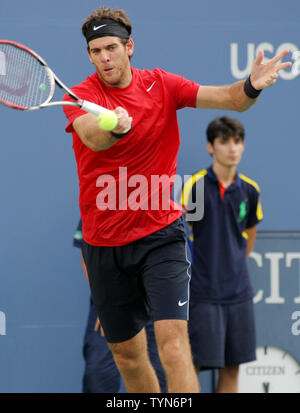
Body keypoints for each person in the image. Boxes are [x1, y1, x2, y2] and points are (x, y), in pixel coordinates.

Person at [62, 6, 290, 393]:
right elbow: (90, 136)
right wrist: (112, 126)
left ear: (129, 47)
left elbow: (231, 98)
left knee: (172, 345)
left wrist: (251, 85)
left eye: (112, 48)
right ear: (89, 55)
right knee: (129, 359)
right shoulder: (81, 96)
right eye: (96, 51)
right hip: (103, 244)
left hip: (160, 235)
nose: (104, 58)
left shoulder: (162, 85)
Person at [181, 116, 263, 393]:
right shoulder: (196, 186)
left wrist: (234, 265)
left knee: (232, 369)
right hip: (203, 295)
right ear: (210, 146)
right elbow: (182, 237)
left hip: (238, 294)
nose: (232, 148)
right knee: (192, 366)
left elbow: (249, 236)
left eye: (237, 142)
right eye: (224, 141)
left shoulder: (250, 190)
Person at [73, 219, 167, 393]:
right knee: (98, 378)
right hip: (110, 305)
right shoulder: (101, 201)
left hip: (153, 310)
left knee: (158, 379)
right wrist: (107, 302)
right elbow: (86, 257)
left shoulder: (161, 204)